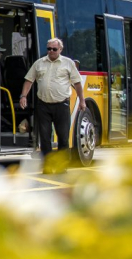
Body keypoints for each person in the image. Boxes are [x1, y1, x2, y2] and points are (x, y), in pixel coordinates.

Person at [19, 37, 86, 165]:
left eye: (54, 49)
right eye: (49, 49)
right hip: (43, 105)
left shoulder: (68, 63)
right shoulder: (39, 63)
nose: (51, 51)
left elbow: (77, 83)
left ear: (60, 49)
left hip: (62, 105)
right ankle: (48, 164)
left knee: (63, 137)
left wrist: (82, 100)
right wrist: (23, 96)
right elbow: (29, 80)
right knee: (44, 138)